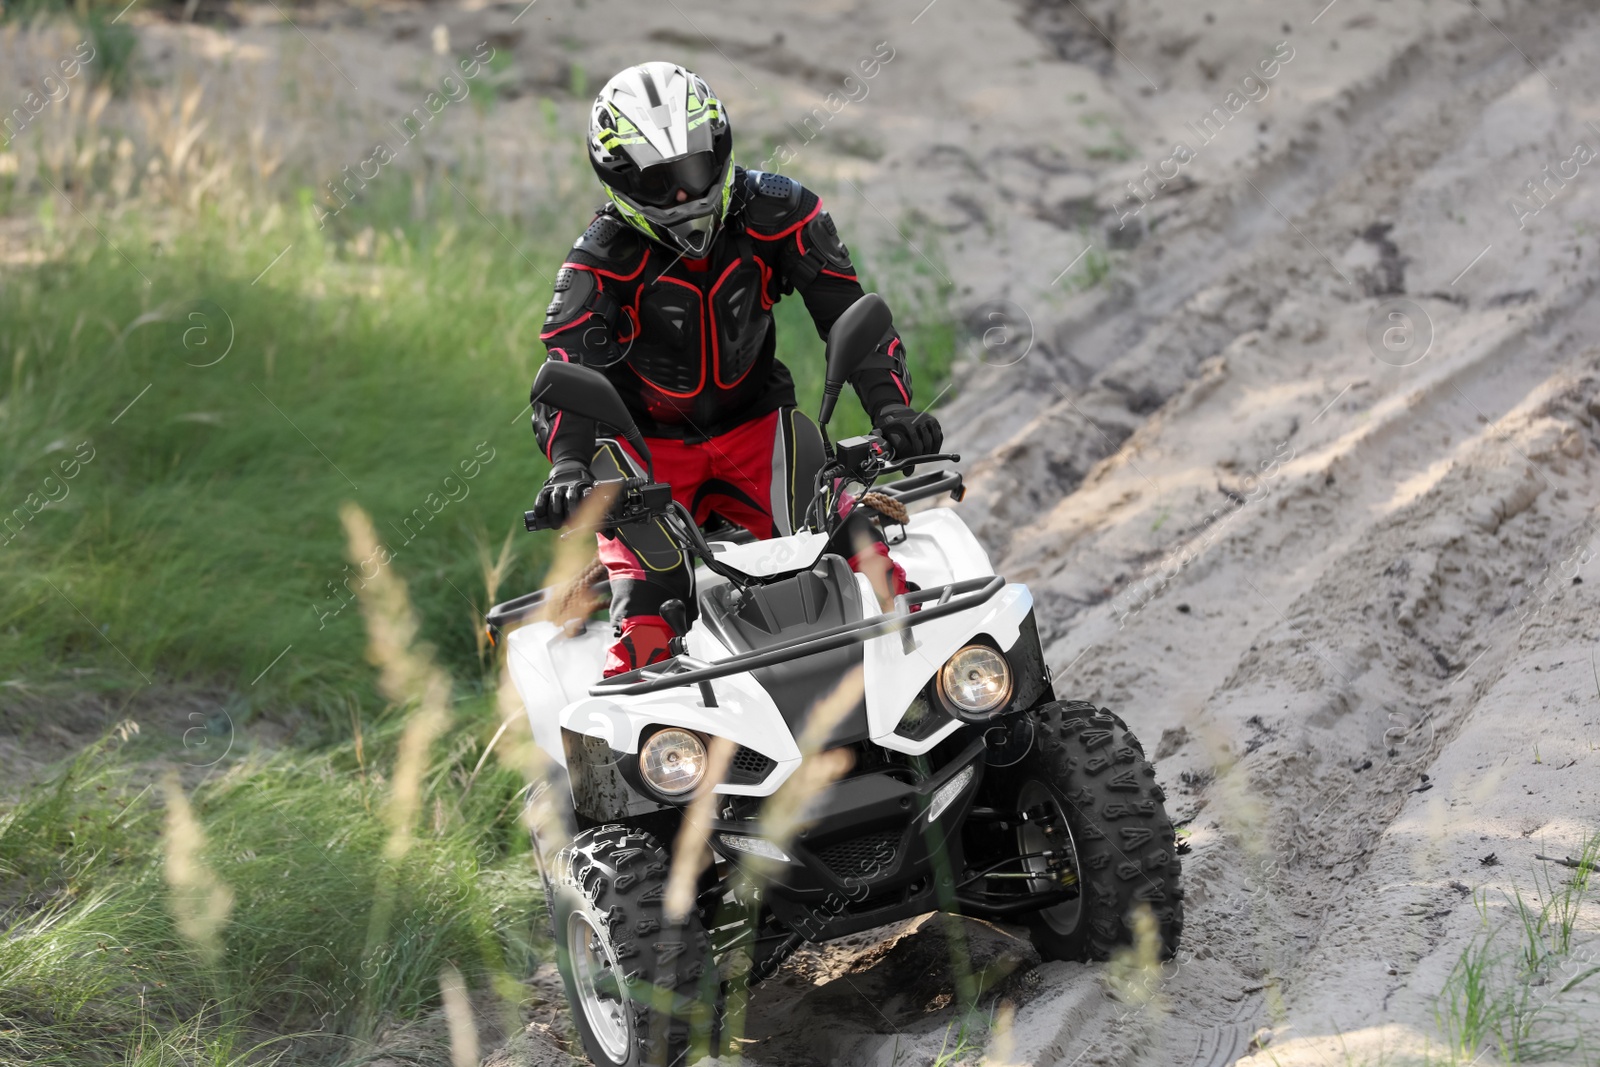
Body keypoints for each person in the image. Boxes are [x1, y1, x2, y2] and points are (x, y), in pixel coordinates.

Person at [529, 61, 941, 678]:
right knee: (648, 607)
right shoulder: (597, 261)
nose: (683, 195)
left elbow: (851, 312)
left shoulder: (783, 210)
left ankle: (940, 675)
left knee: (849, 537)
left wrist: (891, 408)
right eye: (659, 180)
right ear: (615, 178)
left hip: (761, 430)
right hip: (648, 457)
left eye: (693, 169)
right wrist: (567, 465)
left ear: (720, 148)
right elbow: (565, 366)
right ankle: (652, 759)